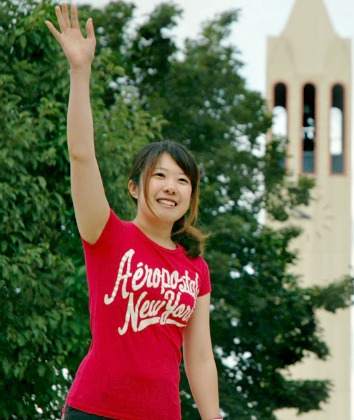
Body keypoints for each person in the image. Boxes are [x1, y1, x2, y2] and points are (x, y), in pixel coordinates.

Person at [45, 3, 222, 419]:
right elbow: (81, 155)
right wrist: (80, 72)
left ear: (190, 196)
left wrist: (212, 417)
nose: (171, 187)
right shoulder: (106, 234)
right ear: (134, 187)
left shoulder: (195, 269)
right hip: (93, 410)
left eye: (183, 180)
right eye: (160, 176)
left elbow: (199, 358)